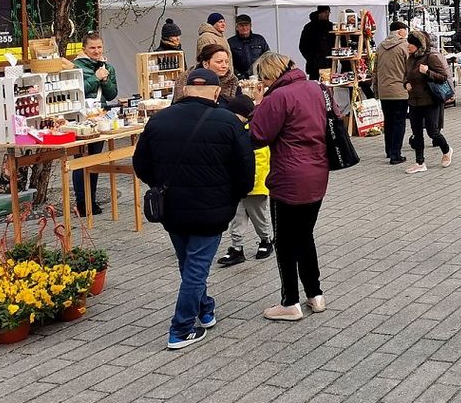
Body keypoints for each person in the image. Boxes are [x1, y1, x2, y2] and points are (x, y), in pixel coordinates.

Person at [132, 68, 255, 349]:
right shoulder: (228, 122)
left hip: (171, 207)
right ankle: (181, 327)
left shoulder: (159, 120)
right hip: (212, 209)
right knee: (196, 267)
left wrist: (161, 184)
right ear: (215, 92)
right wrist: (233, 196)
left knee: (188, 263)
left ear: (186, 90)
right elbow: (245, 171)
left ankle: (205, 309)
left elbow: (141, 165)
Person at [250, 52, 332, 321]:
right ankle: (315, 294)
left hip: (289, 177)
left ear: (270, 75)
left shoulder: (278, 97)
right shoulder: (315, 87)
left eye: (263, 77)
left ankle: (290, 301)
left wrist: (259, 104)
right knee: (305, 235)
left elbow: (258, 136)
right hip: (318, 171)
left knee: (285, 242)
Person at [216, 95, 273, 267]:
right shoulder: (236, 130)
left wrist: (255, 183)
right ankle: (236, 247)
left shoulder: (254, 132)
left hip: (255, 184)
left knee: (258, 215)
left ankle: (266, 240)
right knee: (237, 216)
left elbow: (261, 162)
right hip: (237, 184)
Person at [72, 32, 118, 216]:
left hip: (100, 118)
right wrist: (96, 78)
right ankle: (82, 202)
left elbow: (112, 94)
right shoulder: (76, 67)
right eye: (92, 48)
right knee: (81, 161)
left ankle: (92, 199)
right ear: (84, 49)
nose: (96, 51)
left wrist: (106, 80)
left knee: (95, 159)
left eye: (99, 47)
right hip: (81, 119)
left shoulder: (108, 67)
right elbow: (78, 90)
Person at [404, 31, 453, 173]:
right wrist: (405, 83)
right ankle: (420, 162)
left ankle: (447, 150)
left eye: (411, 43)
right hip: (414, 101)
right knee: (416, 132)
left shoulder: (431, 57)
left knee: (433, 132)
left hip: (430, 100)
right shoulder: (410, 58)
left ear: (418, 45)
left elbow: (444, 77)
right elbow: (406, 76)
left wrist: (427, 72)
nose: (408, 46)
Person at [372, 21, 411, 165]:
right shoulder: (404, 47)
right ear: (400, 31)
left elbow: (375, 70)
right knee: (399, 123)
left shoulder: (381, 47)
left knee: (388, 121)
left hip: (384, 90)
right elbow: (409, 68)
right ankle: (396, 154)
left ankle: (389, 150)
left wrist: (376, 90)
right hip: (399, 90)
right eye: (405, 30)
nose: (406, 33)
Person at [172, 44, 239, 105]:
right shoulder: (185, 79)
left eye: (227, 62)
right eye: (219, 62)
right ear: (206, 64)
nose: (224, 66)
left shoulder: (232, 81)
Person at [227, 14, 270, 79]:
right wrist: (237, 74)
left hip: (258, 76)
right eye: (241, 25)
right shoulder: (230, 42)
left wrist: (262, 72)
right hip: (238, 78)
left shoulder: (259, 39)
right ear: (237, 27)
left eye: (246, 25)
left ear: (250, 26)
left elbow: (268, 56)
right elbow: (228, 61)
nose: (244, 28)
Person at [298, 6, 334, 80]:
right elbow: (302, 46)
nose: (327, 14)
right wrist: (311, 58)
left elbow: (335, 43)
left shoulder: (331, 26)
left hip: (329, 63)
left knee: (329, 86)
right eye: (325, 12)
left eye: (328, 12)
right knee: (314, 86)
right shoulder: (309, 27)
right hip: (314, 65)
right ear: (319, 13)